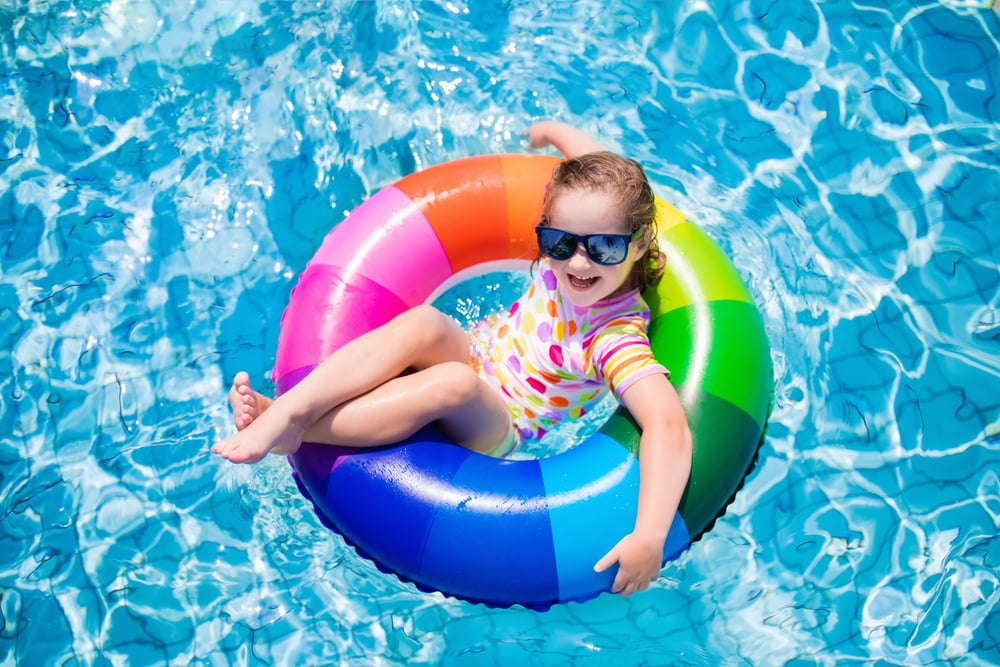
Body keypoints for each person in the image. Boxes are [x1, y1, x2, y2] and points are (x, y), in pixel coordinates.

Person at [212, 121, 693, 597]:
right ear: (546, 231)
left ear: (641, 242)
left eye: (605, 247)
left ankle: (296, 427)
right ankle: (295, 406)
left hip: (500, 422)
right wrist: (558, 131)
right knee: (425, 324)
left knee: (451, 384)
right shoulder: (582, 232)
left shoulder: (613, 336)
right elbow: (588, 170)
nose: (579, 263)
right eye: (560, 244)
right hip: (477, 354)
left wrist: (650, 534)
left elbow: (668, 426)